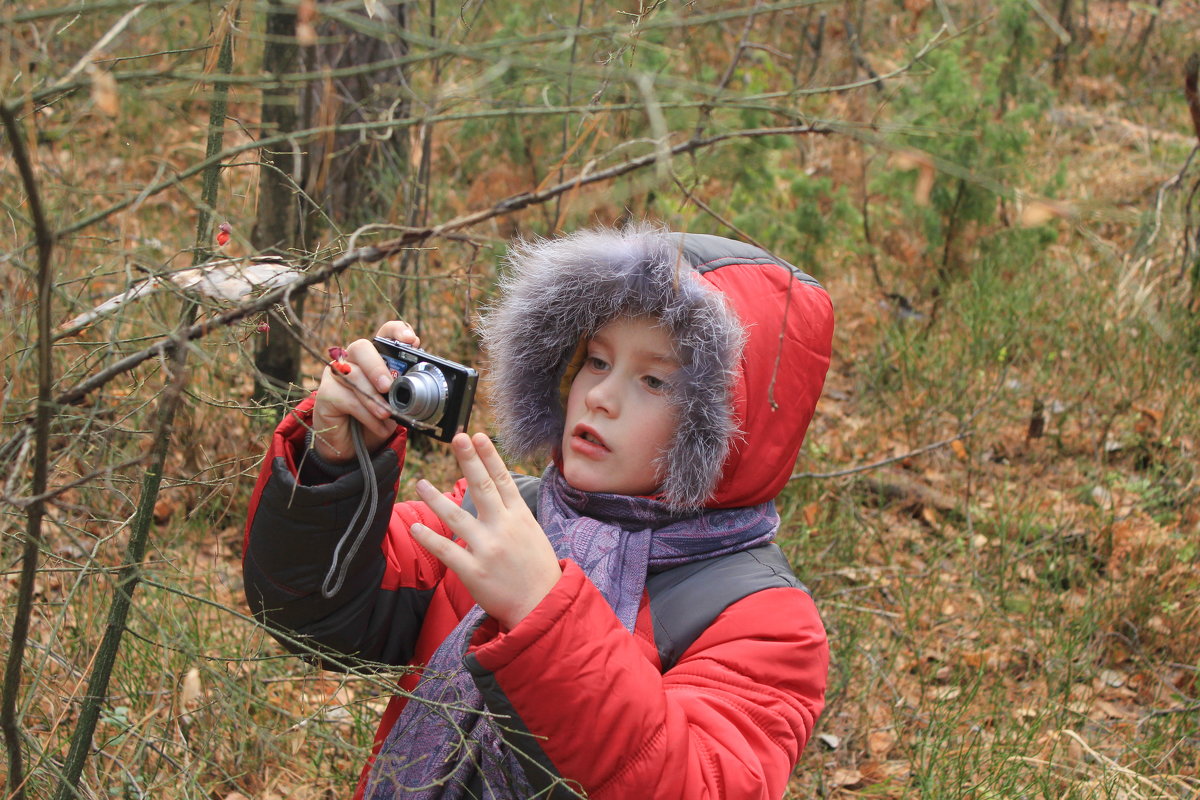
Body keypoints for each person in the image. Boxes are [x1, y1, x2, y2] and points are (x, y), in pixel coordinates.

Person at [242, 224, 835, 799]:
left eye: (654, 381)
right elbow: (312, 609)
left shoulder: (767, 621)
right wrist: (337, 464)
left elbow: (701, 784)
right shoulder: (498, 516)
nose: (599, 396)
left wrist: (542, 614)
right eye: (597, 361)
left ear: (734, 426)